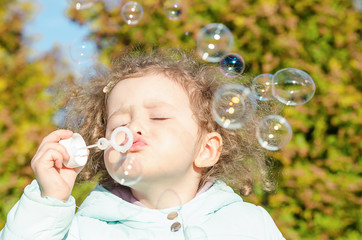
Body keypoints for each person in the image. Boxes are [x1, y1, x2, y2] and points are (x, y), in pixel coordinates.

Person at [0, 47, 285, 239]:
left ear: (206, 150)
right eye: (119, 123)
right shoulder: (85, 229)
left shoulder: (247, 223)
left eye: (158, 117)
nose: (132, 127)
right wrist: (50, 199)